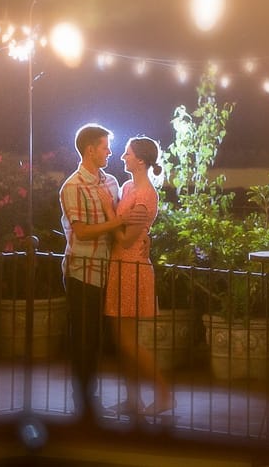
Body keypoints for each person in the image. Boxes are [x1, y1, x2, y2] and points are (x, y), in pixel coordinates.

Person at [101, 136, 175, 417]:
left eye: (127, 153)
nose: (123, 157)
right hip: (122, 265)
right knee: (123, 340)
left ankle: (164, 393)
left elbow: (126, 239)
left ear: (141, 160)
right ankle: (133, 398)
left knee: (129, 340)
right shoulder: (129, 186)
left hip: (131, 267)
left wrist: (110, 214)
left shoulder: (145, 195)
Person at [59, 123, 124, 422]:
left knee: (95, 337)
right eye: (105, 146)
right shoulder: (72, 187)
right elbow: (82, 232)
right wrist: (116, 222)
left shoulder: (110, 182)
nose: (109, 151)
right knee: (83, 337)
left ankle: (91, 398)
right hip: (81, 269)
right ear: (90, 149)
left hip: (104, 268)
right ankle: (82, 401)